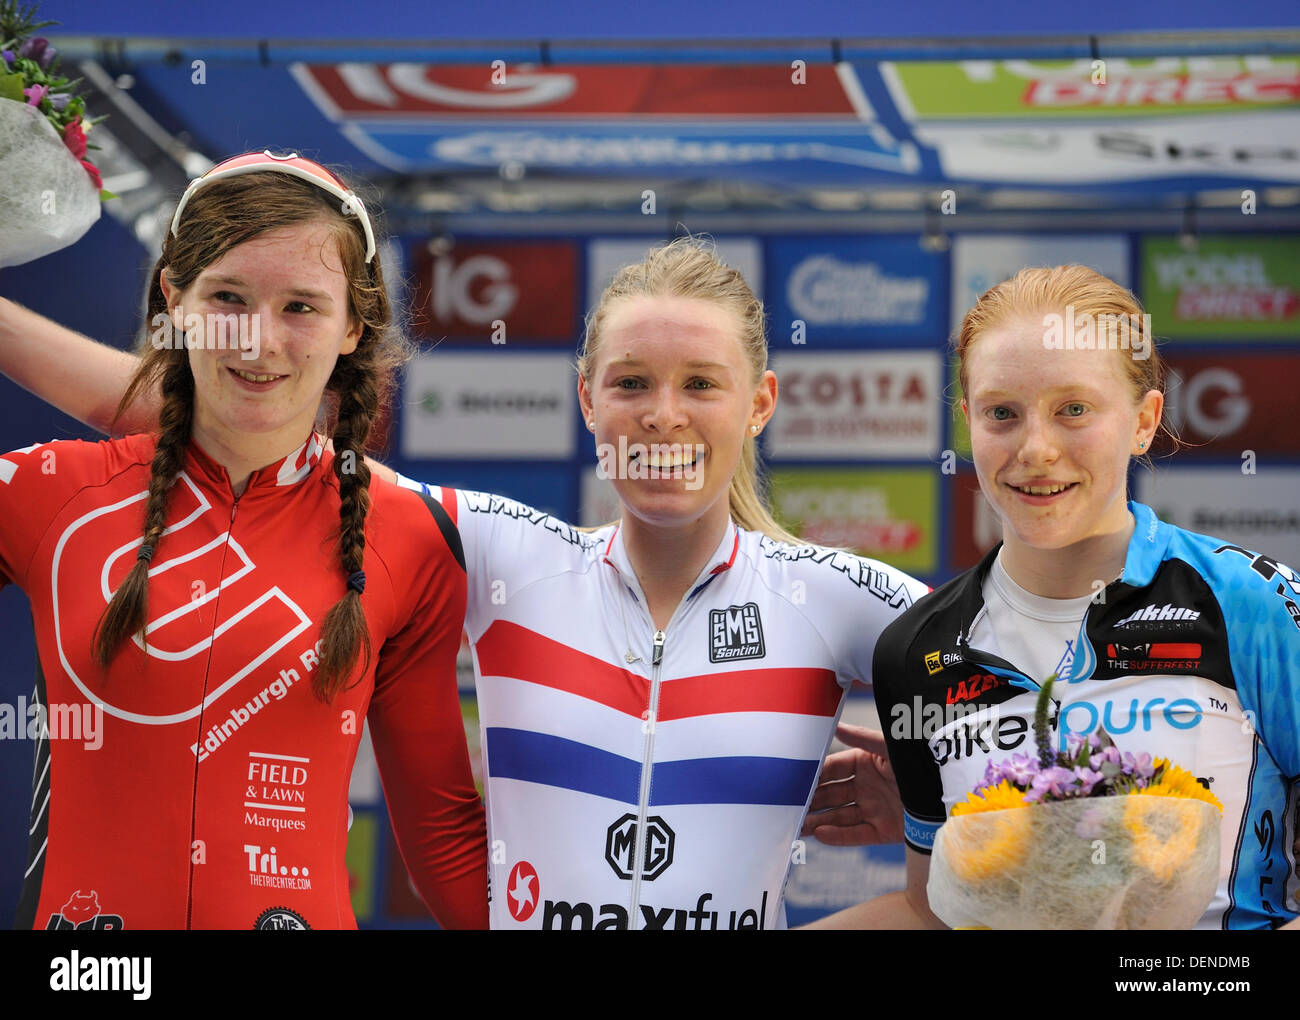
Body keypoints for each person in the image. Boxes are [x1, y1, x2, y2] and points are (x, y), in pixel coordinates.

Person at [1, 236, 927, 929]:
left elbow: (1046, 729)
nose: (663, 415)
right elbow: (231, 411)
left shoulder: (833, 595)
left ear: (761, 401)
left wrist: (941, 813)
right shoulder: (504, 551)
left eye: (703, 384)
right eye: (633, 382)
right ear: (585, 397)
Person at [0, 151, 486, 930]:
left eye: (302, 307)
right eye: (227, 298)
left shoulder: (414, 534)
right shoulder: (52, 491)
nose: (260, 343)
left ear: (354, 326)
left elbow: (444, 843)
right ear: (175, 298)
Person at [809, 265, 1300, 930]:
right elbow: (930, 914)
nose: (1036, 450)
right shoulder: (916, 649)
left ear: (1143, 420)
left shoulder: (1251, 603)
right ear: (967, 421)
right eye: (1002, 414)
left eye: (1074, 409)